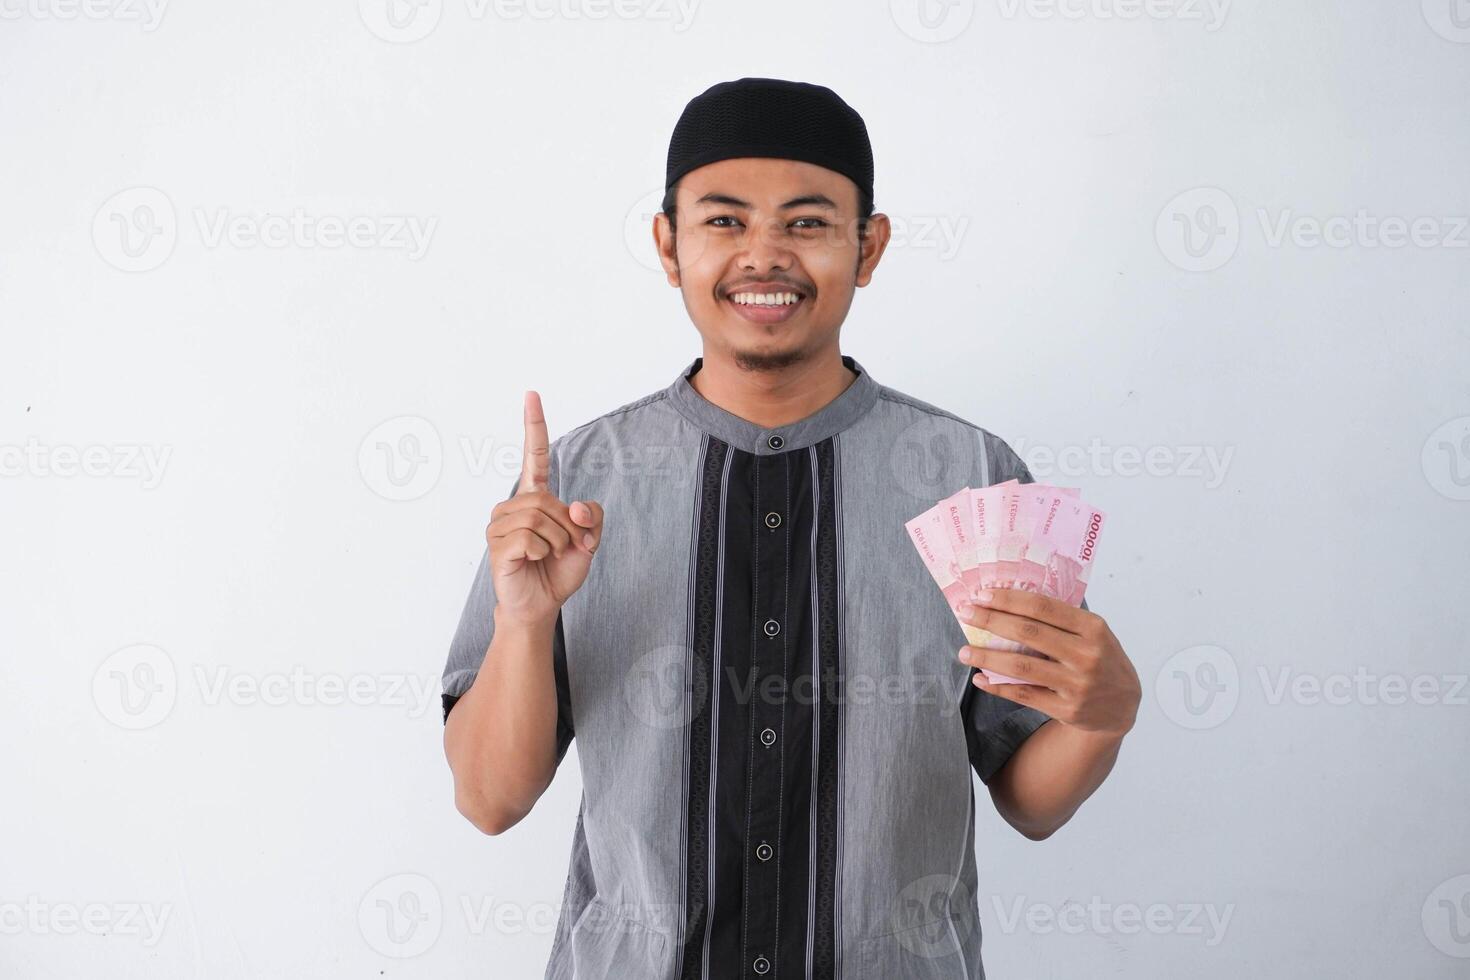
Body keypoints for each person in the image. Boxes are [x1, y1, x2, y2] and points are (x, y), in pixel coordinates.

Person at [441, 76, 1141, 980]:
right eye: (724, 221)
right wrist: (527, 620)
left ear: (869, 245)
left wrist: (1105, 717)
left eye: (807, 223)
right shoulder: (576, 485)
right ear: (668, 244)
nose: (763, 256)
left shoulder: (972, 481)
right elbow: (489, 800)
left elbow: (1030, 800)